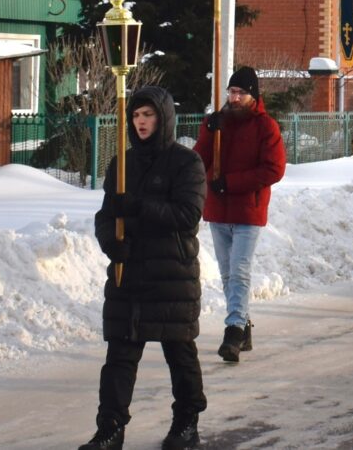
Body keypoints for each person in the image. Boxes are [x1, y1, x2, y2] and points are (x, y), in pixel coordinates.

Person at [80, 86, 207, 450]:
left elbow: (187, 214)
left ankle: (187, 422)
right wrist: (111, 244)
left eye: (148, 115)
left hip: (172, 276)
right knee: (119, 355)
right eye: (135, 116)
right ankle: (110, 429)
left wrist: (138, 207)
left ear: (163, 117)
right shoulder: (122, 165)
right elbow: (106, 216)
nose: (140, 122)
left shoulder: (187, 163)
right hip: (129, 272)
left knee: (179, 353)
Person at [194, 67, 285, 362]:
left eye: (240, 93)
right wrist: (210, 132)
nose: (234, 98)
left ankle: (232, 330)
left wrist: (231, 183)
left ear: (253, 96)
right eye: (231, 93)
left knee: (240, 271)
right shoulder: (216, 123)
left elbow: (274, 169)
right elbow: (198, 160)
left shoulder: (265, 126)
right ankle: (243, 323)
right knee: (227, 273)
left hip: (248, 209)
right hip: (218, 210)